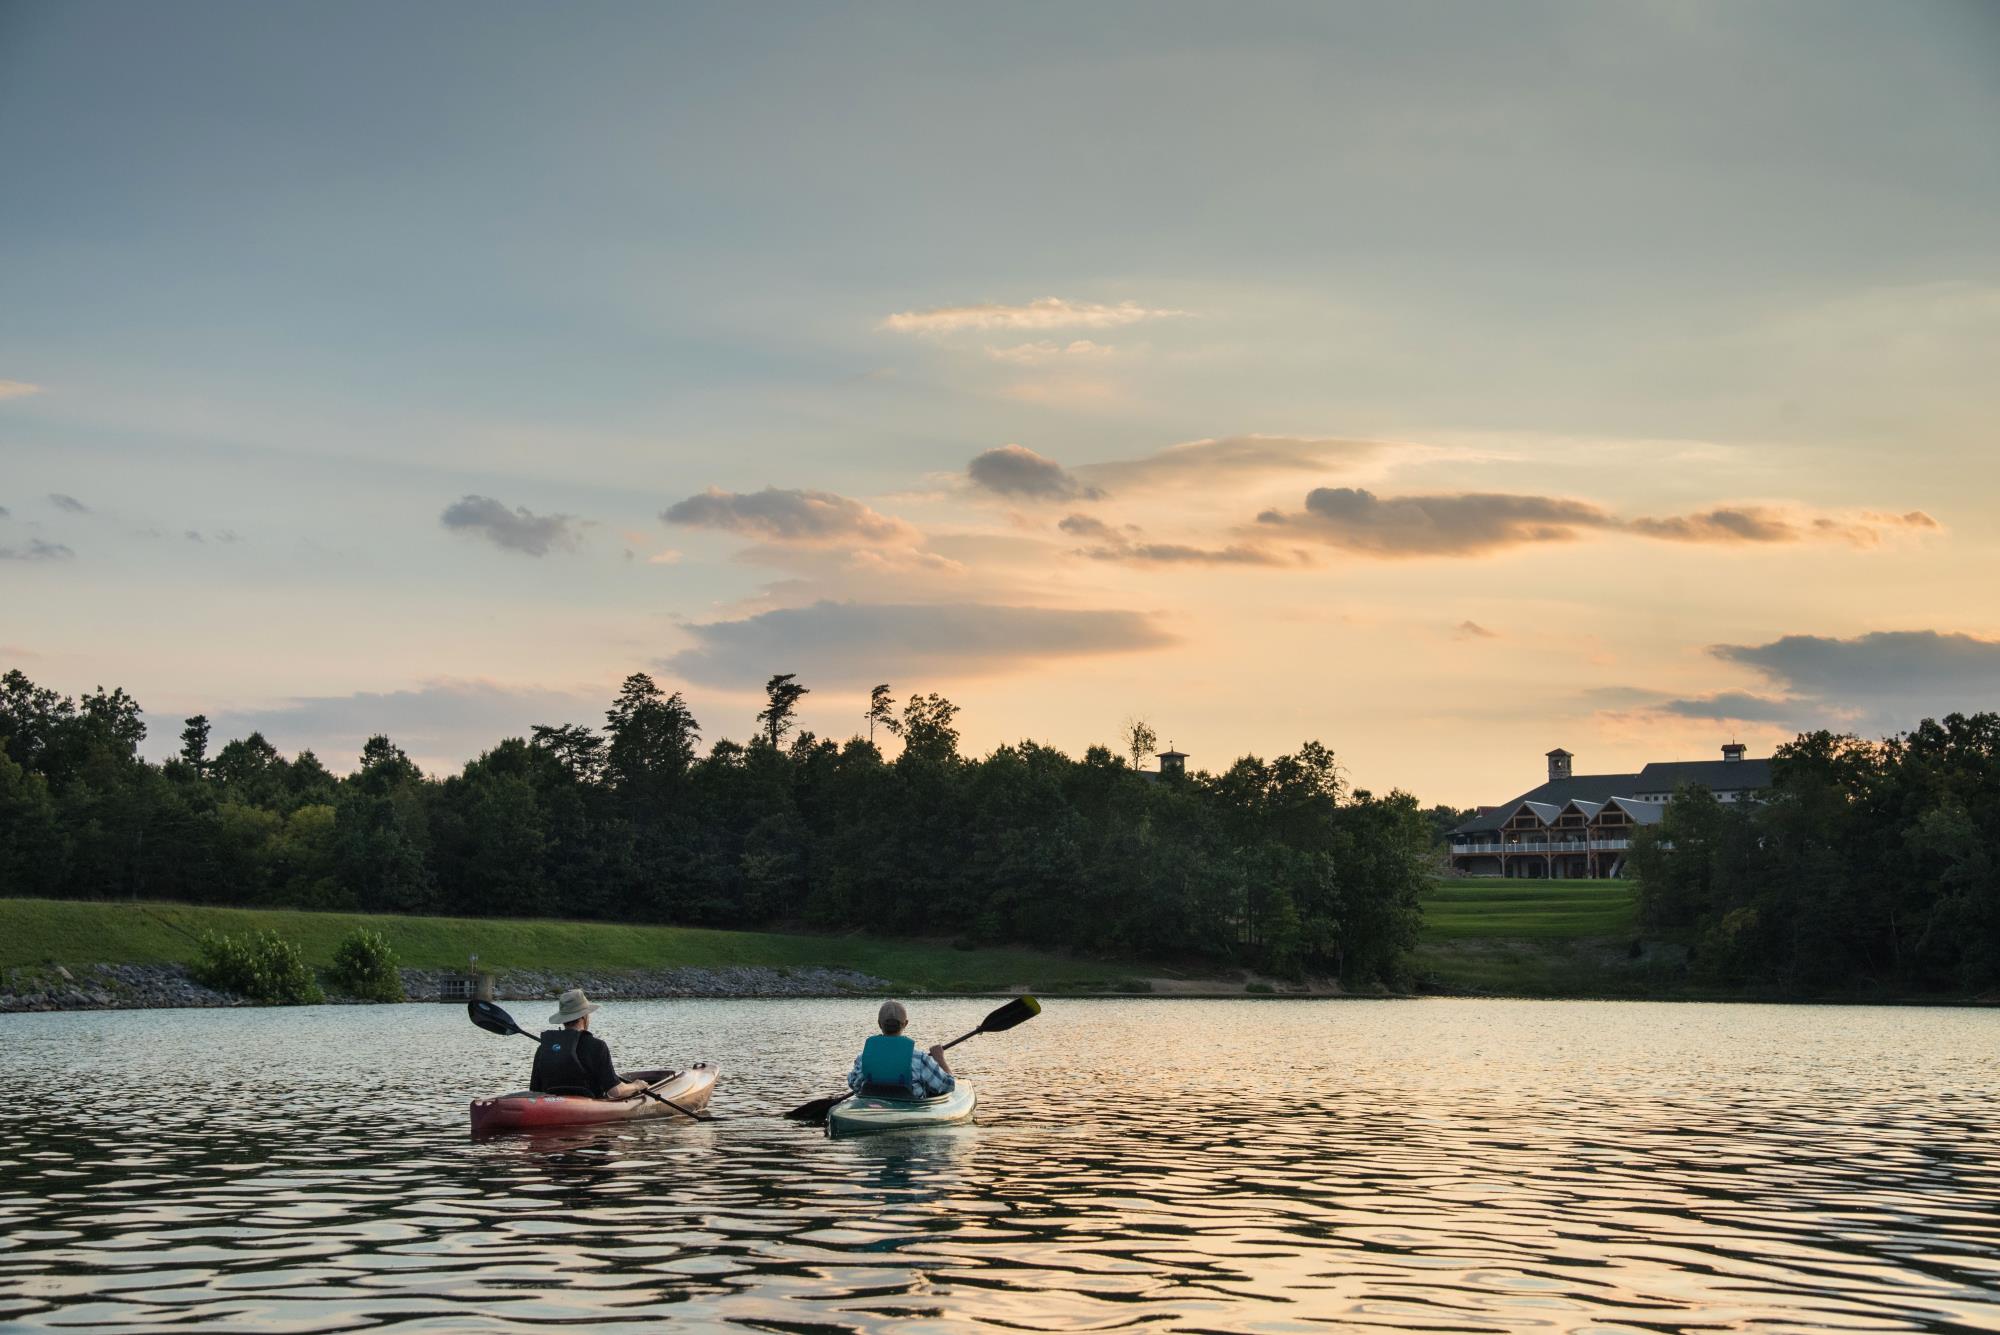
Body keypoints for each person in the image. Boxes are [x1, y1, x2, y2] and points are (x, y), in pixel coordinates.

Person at [530, 988, 649, 1099]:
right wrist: (637, 1086)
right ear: (584, 1016)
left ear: (563, 1020)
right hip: (588, 1108)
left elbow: (534, 1092)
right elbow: (615, 1091)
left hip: (551, 1108)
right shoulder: (597, 1046)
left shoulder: (543, 1048)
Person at [846, 999, 955, 1099]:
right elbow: (948, 1085)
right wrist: (939, 1058)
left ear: (879, 1023)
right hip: (909, 1113)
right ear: (905, 1024)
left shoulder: (863, 1058)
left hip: (872, 1110)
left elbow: (853, 1084)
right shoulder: (919, 1059)